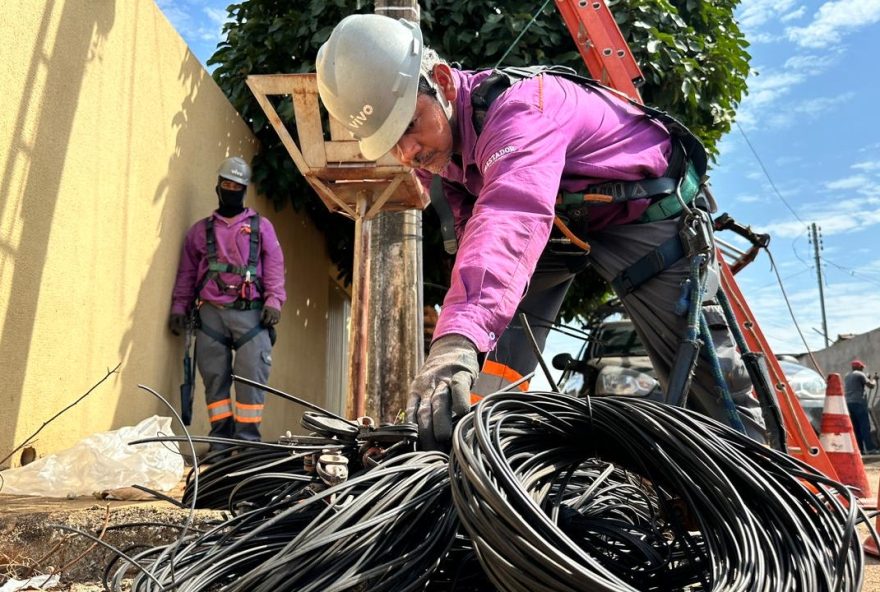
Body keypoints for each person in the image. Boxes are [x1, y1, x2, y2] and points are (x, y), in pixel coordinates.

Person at [316, 14, 766, 449]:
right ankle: (476, 457)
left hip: (644, 210)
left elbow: (510, 216)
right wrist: (462, 347)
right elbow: (478, 256)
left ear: (443, 81)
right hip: (566, 221)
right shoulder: (447, 158)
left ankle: (755, 488)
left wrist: (453, 342)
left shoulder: (523, 111)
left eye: (409, 125)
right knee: (491, 351)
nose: (407, 151)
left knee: (702, 376)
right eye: (390, 142)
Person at [168, 156, 286, 455]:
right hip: (211, 317)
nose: (231, 189)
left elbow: (274, 265)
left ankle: (246, 447)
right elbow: (185, 273)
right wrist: (179, 308)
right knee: (215, 382)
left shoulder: (261, 228)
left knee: (251, 382)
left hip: (252, 316)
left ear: (245, 189)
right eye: (226, 184)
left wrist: (274, 300)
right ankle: (220, 445)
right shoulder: (199, 231)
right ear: (218, 187)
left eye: (237, 185)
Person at [844, 359, 877, 454]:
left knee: (856, 427)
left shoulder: (847, 376)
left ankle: (860, 450)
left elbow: (857, 383)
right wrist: (874, 379)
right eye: (862, 367)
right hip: (859, 403)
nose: (862, 369)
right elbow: (871, 385)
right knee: (865, 426)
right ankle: (870, 449)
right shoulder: (860, 374)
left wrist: (866, 377)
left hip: (849, 404)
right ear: (859, 367)